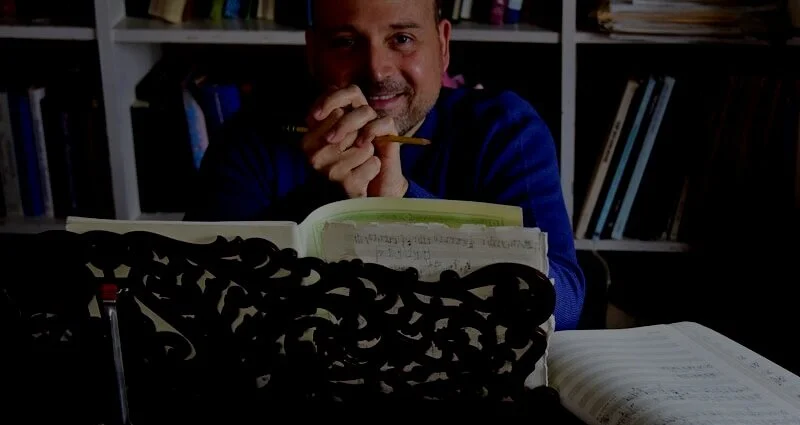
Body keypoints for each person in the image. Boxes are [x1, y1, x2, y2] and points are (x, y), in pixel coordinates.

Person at [185, 0, 586, 330]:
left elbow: (564, 304)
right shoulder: (251, 137)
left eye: (402, 39)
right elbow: (197, 297)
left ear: (443, 45)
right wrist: (325, 200)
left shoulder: (505, 130)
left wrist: (402, 204)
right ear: (313, 52)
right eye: (346, 42)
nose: (377, 70)